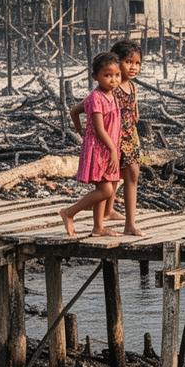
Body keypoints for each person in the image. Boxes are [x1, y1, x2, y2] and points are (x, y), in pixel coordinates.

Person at [61, 52, 124, 237]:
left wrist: (80, 129)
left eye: (116, 75)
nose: (113, 80)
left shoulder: (111, 95)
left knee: (105, 187)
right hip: (101, 149)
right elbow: (98, 129)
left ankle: (98, 228)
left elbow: (74, 111)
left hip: (110, 148)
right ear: (95, 76)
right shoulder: (96, 98)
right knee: (105, 190)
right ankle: (69, 212)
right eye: (107, 75)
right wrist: (84, 133)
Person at [109, 41, 145, 236]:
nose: (133, 67)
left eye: (137, 63)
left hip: (130, 137)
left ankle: (129, 223)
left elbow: (134, 111)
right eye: (128, 62)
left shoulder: (131, 87)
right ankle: (108, 211)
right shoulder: (111, 88)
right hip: (114, 138)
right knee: (112, 177)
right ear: (116, 62)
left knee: (132, 174)